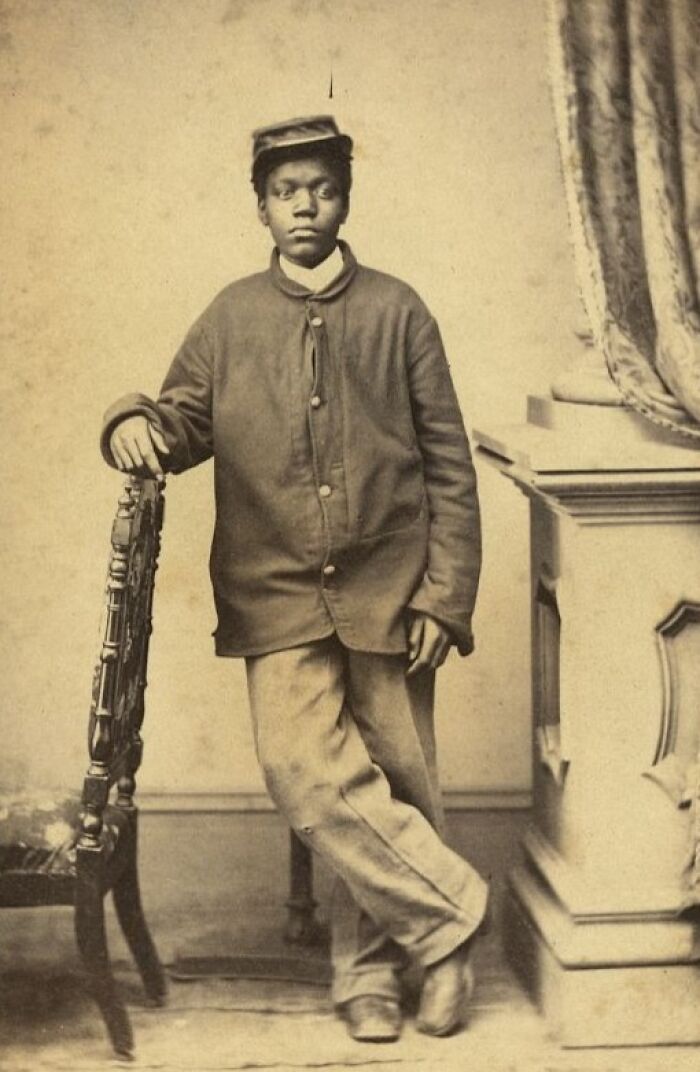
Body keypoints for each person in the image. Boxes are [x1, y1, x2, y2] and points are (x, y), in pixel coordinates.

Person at [101, 115, 489, 1043]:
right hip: (274, 590)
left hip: (395, 588)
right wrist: (128, 420)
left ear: (345, 197)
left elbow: (450, 466)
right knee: (307, 774)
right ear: (262, 208)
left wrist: (445, 594)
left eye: (320, 187)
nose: (303, 205)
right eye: (285, 192)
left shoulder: (400, 310)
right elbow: (178, 420)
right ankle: (451, 924)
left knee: (396, 777)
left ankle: (372, 979)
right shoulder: (231, 316)